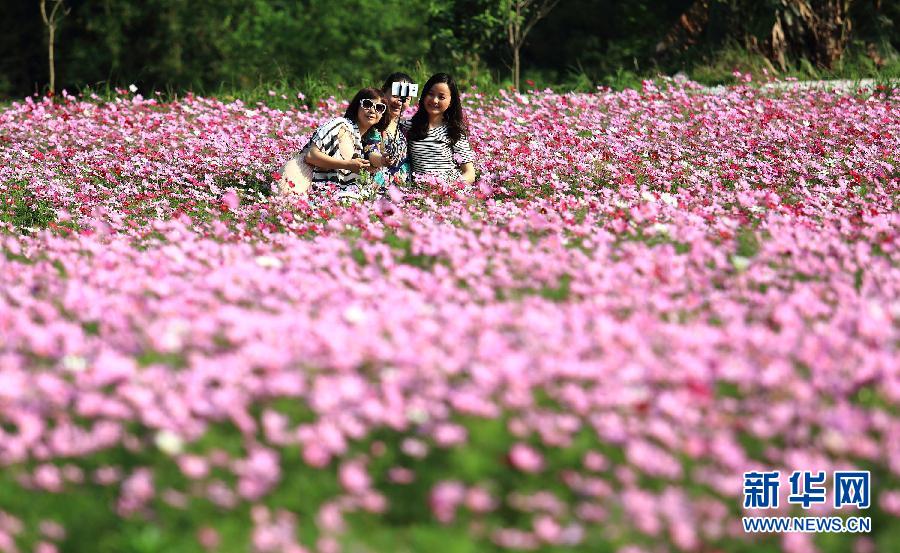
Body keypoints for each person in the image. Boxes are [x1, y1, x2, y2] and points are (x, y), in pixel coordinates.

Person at [279, 87, 388, 200]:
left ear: (382, 115)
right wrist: (347, 165)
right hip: (299, 180)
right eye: (367, 104)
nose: (372, 110)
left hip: (322, 194)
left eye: (379, 107)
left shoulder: (363, 141)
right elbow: (311, 156)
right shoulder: (340, 125)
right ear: (357, 106)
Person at [403, 73, 476, 185]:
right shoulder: (409, 126)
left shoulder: (454, 131)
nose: (435, 100)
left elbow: (470, 174)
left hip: (449, 194)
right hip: (420, 194)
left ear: (451, 102)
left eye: (441, 97)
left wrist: (447, 187)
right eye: (431, 94)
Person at [363, 72, 414, 191]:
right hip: (380, 194)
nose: (399, 102)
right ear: (383, 92)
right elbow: (371, 152)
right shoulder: (374, 125)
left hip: (404, 196)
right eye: (396, 95)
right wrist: (382, 160)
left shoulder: (404, 129)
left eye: (405, 99)